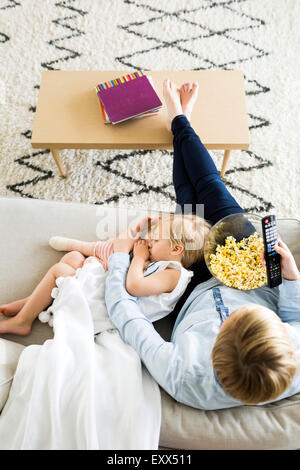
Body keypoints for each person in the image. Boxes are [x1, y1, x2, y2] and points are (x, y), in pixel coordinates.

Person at [104, 79, 300, 409]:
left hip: (191, 289)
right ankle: (180, 122)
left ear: (216, 347)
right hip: (250, 275)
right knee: (210, 187)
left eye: (227, 322)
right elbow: (294, 316)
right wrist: (291, 277)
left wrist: (122, 256)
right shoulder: (292, 353)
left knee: (189, 205)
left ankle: (180, 122)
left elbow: (127, 316)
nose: (229, 312)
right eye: (249, 315)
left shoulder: (183, 375)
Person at [0, 212, 210, 334]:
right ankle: (33, 301)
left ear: (176, 250)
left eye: (155, 241)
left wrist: (138, 258)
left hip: (107, 309)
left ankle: (22, 322)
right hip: (110, 291)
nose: (149, 242)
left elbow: (134, 286)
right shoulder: (160, 261)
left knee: (59, 271)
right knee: (73, 257)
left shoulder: (174, 274)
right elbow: (119, 249)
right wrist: (136, 231)